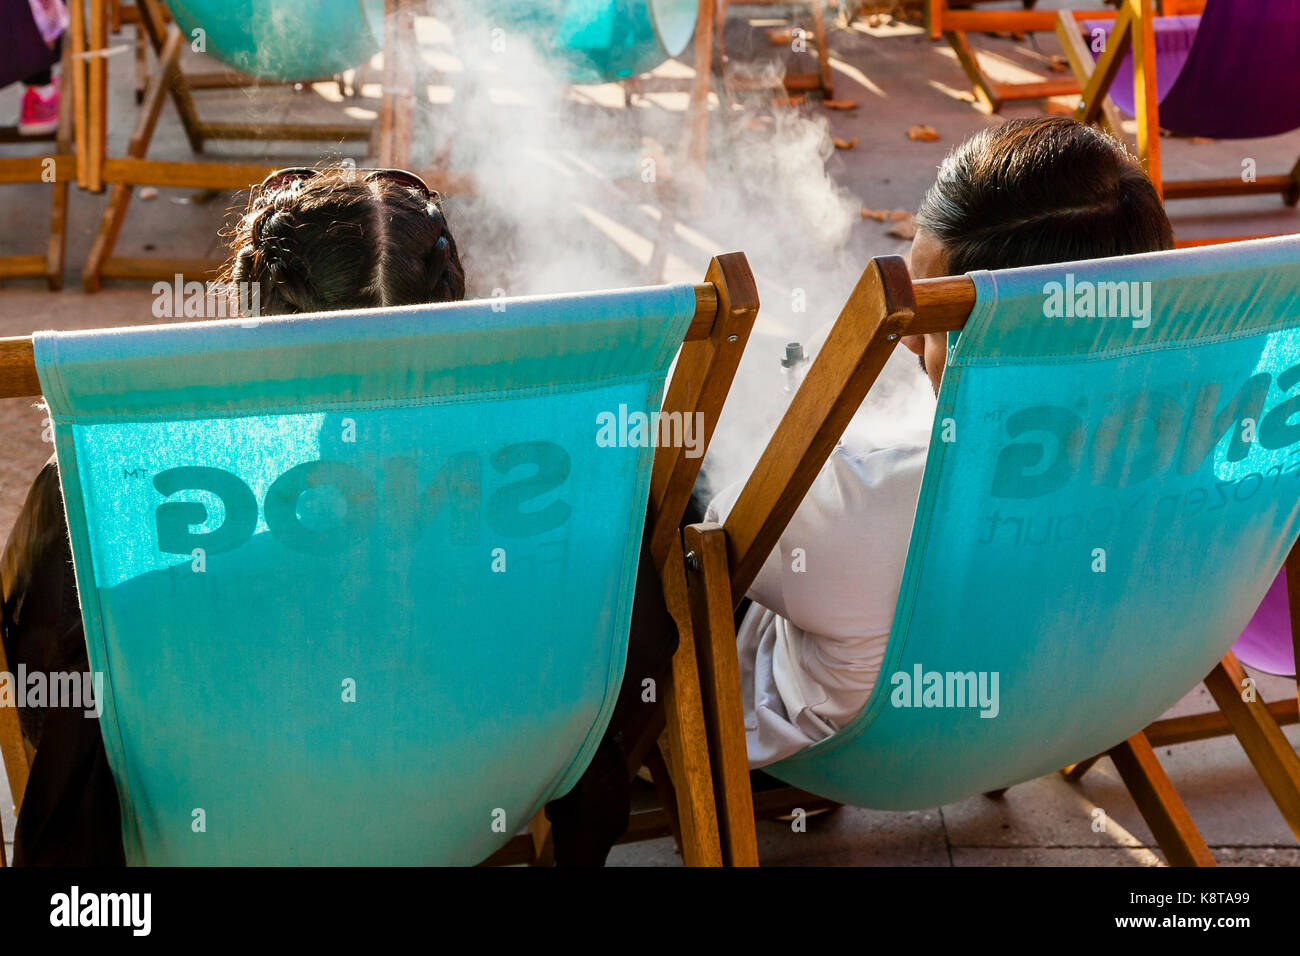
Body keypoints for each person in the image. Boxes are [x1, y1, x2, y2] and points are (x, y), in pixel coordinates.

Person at [546, 116, 1176, 862]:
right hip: (1084, 698)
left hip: (871, 745)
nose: (909, 342)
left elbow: (725, 533)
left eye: (931, 321)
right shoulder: (1203, 444)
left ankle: (599, 749)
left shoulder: (864, 499)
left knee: (654, 500)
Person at [0, 166, 464, 865]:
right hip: (470, 790)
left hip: (217, 818)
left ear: (254, 315)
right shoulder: (550, 456)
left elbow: (46, 703)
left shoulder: (116, 492)